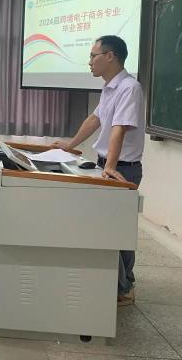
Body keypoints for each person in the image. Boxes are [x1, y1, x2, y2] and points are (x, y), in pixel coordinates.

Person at [52, 35, 144, 307]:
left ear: (110, 56)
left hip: (122, 169)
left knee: (116, 229)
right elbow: (95, 120)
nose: (90, 62)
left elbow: (119, 128)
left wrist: (110, 166)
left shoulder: (129, 88)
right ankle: (123, 284)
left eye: (93, 56)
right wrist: (70, 145)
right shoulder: (110, 88)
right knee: (115, 227)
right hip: (108, 166)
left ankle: (124, 288)